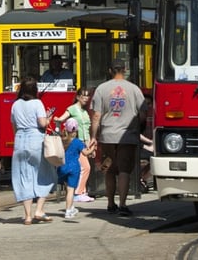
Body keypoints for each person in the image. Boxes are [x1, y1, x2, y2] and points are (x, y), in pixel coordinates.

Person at [91, 58, 145, 216]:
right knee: (124, 170)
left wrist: (94, 136)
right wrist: (137, 129)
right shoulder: (134, 89)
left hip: (107, 136)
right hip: (127, 136)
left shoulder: (101, 89)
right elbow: (142, 114)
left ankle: (110, 204)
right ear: (125, 69)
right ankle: (122, 204)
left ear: (110, 70)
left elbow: (96, 116)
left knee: (109, 170)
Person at [10, 76, 57, 224]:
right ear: (34, 90)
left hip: (19, 142)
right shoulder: (38, 103)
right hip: (35, 140)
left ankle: (28, 216)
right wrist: (49, 118)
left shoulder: (15, 105)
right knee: (45, 174)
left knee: (23, 178)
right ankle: (39, 210)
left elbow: (14, 126)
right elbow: (42, 123)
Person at [54, 87, 94, 201]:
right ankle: (78, 193)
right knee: (85, 167)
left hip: (84, 142)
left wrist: (90, 145)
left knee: (82, 167)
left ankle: (81, 191)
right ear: (78, 97)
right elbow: (62, 118)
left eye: (87, 96)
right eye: (83, 96)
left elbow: (87, 129)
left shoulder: (85, 112)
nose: (86, 98)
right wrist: (58, 119)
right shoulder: (72, 109)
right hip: (76, 142)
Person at [57, 118, 93, 219]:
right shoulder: (77, 142)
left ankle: (71, 206)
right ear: (76, 130)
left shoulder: (62, 140)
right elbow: (86, 153)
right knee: (71, 190)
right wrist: (93, 148)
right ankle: (68, 211)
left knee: (67, 190)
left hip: (62, 168)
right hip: (74, 169)